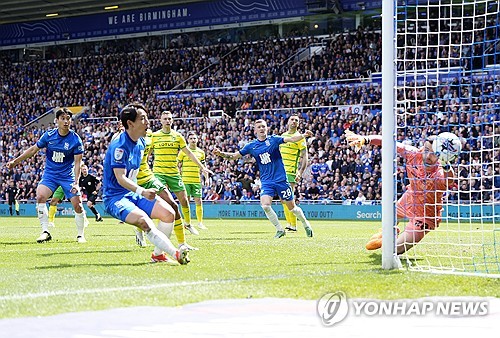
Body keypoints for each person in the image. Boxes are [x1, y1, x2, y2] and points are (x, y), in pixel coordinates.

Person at [102, 103, 189, 265]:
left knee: (169, 213)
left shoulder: (141, 143)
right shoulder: (119, 146)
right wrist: (143, 191)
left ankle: (158, 255)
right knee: (144, 221)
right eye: (142, 118)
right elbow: (120, 178)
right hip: (115, 198)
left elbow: (137, 171)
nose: (147, 121)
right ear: (130, 124)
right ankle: (176, 253)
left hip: (133, 194)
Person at [345, 130, 456, 254]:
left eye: (433, 153)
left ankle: (387, 241)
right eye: (426, 150)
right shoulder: (413, 154)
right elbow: (389, 142)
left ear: (440, 155)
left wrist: (446, 164)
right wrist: (365, 139)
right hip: (409, 198)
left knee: (392, 251)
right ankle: (387, 234)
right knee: (389, 216)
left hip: (425, 215)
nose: (427, 156)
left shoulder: (440, 171)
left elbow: (449, 181)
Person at [214, 119, 314, 238]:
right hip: (267, 181)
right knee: (265, 205)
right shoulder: (251, 146)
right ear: (255, 130)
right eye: (259, 127)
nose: (262, 128)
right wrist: (221, 154)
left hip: (281, 179)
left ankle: (306, 224)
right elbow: (234, 156)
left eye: (263, 126)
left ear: (266, 128)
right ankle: (279, 229)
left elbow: (292, 139)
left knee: (292, 208)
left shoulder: (274, 139)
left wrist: (304, 135)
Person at [6, 107, 87, 243]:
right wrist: (15, 161)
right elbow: (33, 150)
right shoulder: (49, 136)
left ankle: (80, 235)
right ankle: (45, 232)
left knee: (77, 205)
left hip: (68, 176)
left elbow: (78, 163)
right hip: (50, 175)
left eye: (68, 119)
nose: (66, 121)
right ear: (56, 121)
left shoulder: (75, 140)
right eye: (63, 119)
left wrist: (76, 182)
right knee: (40, 196)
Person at [134, 128, 198, 253]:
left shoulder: (151, 135)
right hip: (135, 180)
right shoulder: (126, 139)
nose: (145, 123)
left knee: (173, 205)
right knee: (142, 212)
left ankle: (182, 244)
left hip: (149, 177)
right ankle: (140, 231)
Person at [151, 111, 212, 236]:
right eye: (165, 119)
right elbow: (147, 152)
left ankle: (188, 224)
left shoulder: (178, 136)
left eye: (169, 119)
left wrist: (202, 168)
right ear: (160, 120)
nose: (167, 121)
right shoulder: (155, 136)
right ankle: (161, 226)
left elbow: (189, 153)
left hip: (174, 173)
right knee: (163, 199)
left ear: (172, 120)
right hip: (159, 173)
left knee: (184, 200)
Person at [279, 114, 308, 232]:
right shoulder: (283, 136)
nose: (294, 121)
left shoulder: (300, 137)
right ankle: (289, 223)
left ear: (298, 124)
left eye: (296, 120)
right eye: (292, 119)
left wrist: (300, 172)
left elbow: (305, 156)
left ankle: (294, 225)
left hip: (291, 171)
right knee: (282, 198)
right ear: (288, 122)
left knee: (288, 197)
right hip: (280, 172)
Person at [178, 131, 209, 230]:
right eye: (191, 138)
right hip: (185, 180)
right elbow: (178, 166)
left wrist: (206, 179)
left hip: (196, 180)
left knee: (199, 201)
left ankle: (200, 223)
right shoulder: (183, 151)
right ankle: (187, 222)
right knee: (185, 201)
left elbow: (204, 167)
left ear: (197, 139)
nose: (193, 140)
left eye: (194, 138)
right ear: (188, 140)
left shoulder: (201, 153)